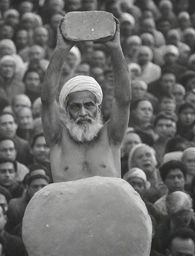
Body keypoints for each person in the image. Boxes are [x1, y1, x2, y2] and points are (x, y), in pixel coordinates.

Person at [41, 20, 131, 182]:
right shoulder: (57, 139)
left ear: (98, 107)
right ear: (66, 111)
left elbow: (123, 100)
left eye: (88, 105)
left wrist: (115, 49)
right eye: (75, 107)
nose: (83, 113)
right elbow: (47, 100)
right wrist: (61, 50)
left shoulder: (111, 137)